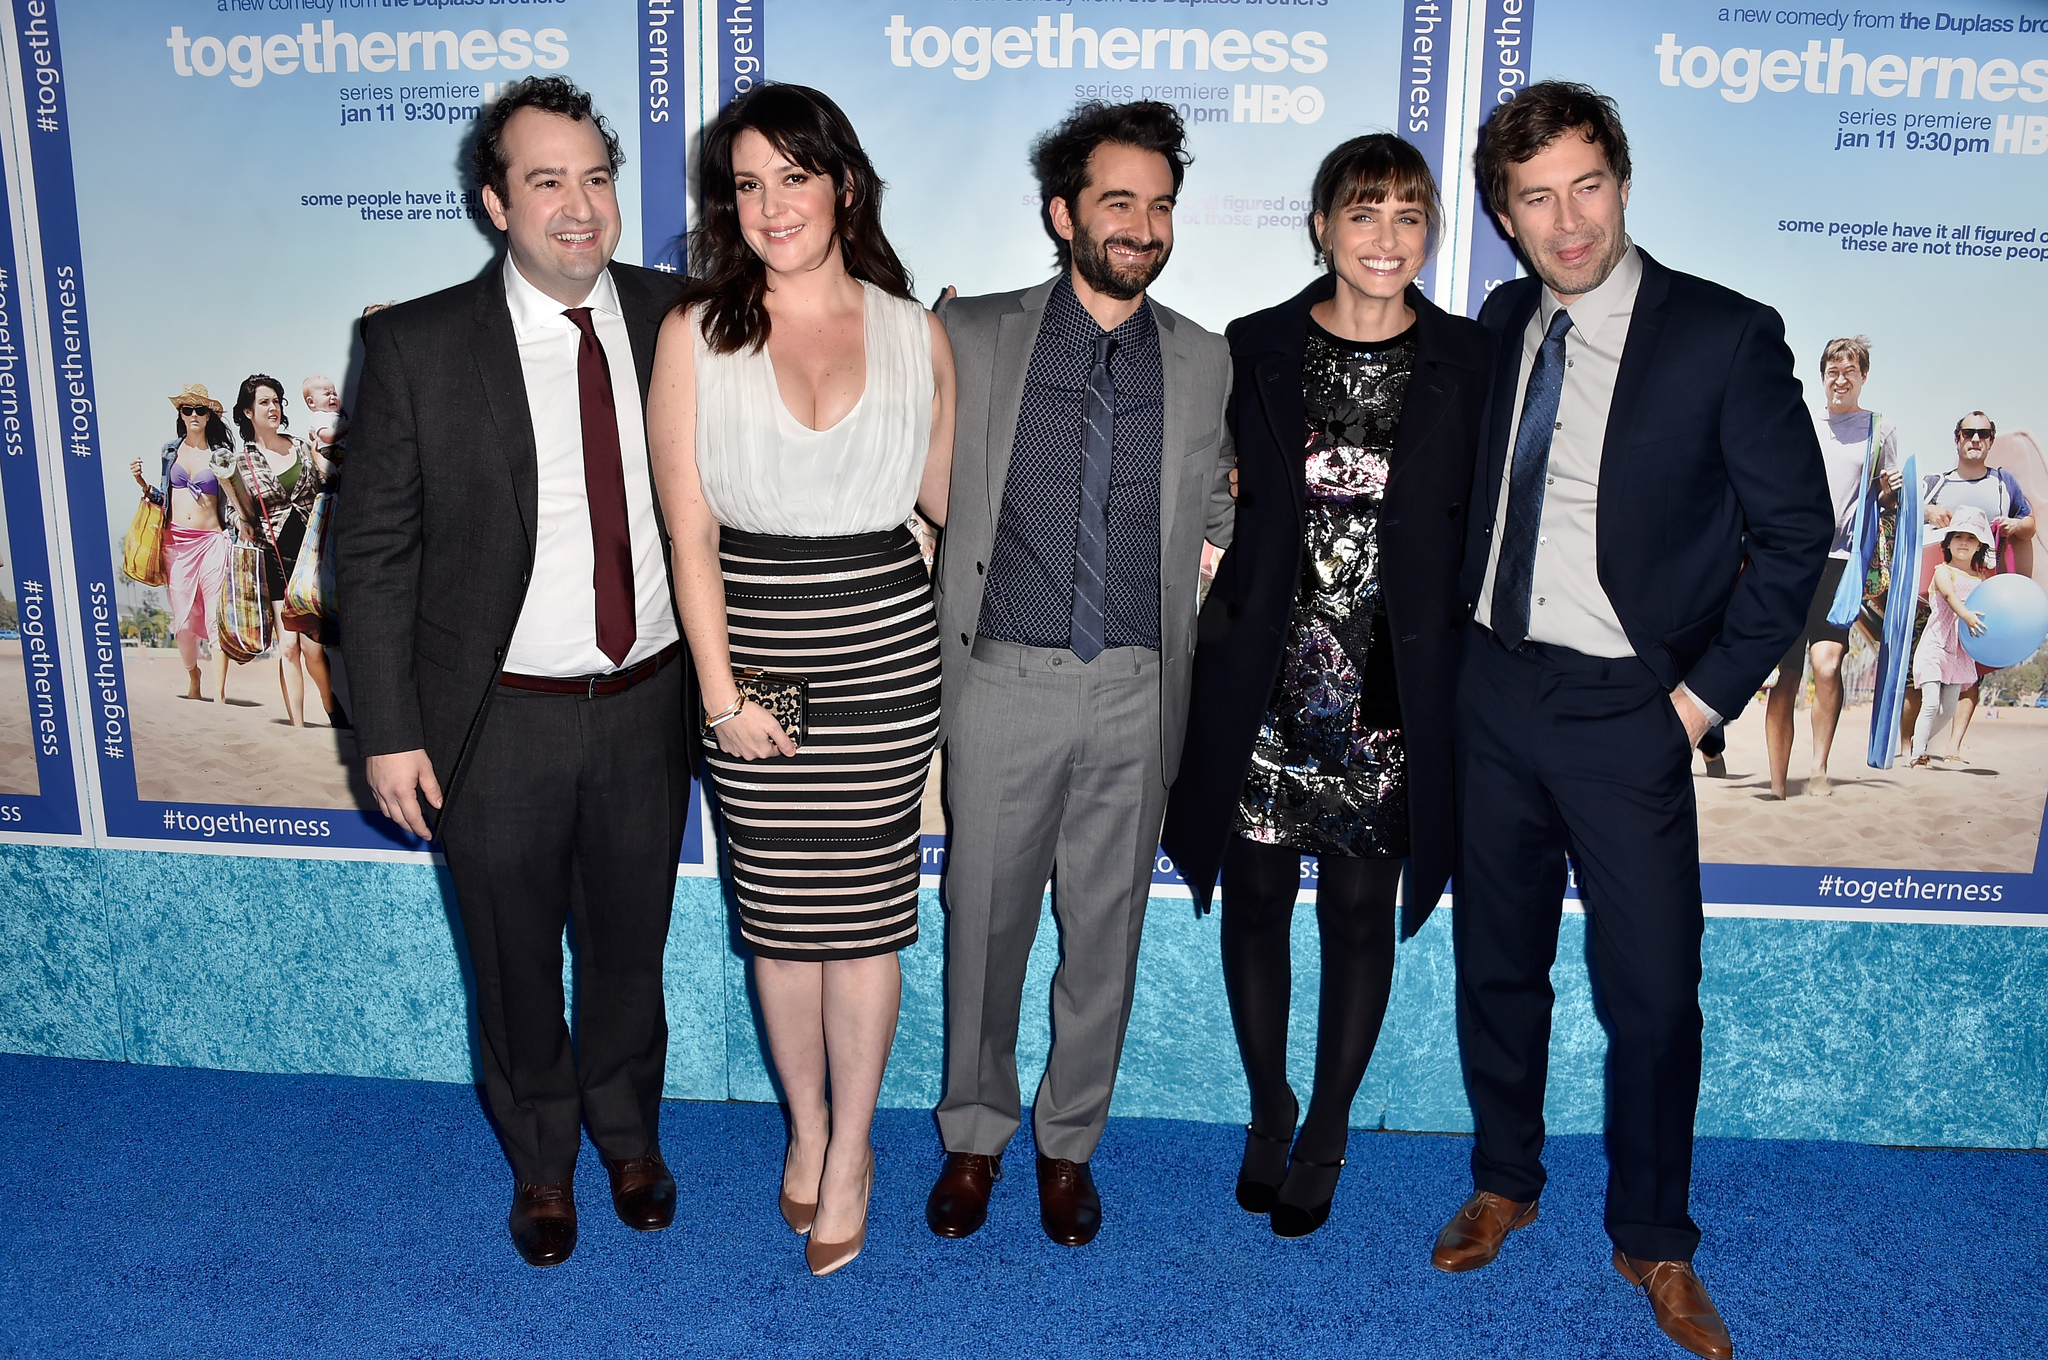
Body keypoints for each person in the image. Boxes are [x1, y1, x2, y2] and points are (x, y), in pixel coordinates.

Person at [1439, 83, 1830, 1360]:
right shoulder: (1502, 322)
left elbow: (1791, 543)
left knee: (1651, 993)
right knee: (1497, 962)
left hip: (1629, 707)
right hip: (1493, 685)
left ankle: (1654, 1237)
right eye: (1534, 197)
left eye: (1584, 186)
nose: (1564, 222)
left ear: (1621, 181)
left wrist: (1694, 699)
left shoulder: (1723, 334)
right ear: (1503, 215)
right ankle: (1506, 1177)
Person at [335, 76, 695, 1268]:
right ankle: (543, 1162)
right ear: (496, 202)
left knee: (631, 948)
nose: (580, 206)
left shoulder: (680, 319)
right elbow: (373, 554)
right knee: (512, 959)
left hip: (649, 705)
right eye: (547, 181)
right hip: (494, 725)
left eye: (596, 177)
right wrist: (386, 730)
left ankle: (627, 1132)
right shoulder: (417, 345)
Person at [646, 83, 955, 1278]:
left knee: (864, 916)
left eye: (793, 175)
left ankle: (857, 1148)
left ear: (843, 182)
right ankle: (809, 1127)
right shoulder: (694, 332)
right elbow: (688, 534)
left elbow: (947, 506)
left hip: (882, 643)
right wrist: (721, 698)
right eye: (746, 184)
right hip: (756, 648)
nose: (771, 205)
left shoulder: (909, 329)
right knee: (779, 917)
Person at [1159, 135, 1492, 1238]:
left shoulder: (1470, 357)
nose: (1385, 238)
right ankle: (1267, 1110)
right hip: (1263, 677)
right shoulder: (1253, 346)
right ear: (1320, 227)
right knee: (1252, 898)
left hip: (1388, 690)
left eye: (1407, 215)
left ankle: (1329, 1128)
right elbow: (1203, 492)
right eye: (1363, 214)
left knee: (1357, 914)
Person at [923, 100, 1235, 1250]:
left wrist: (1205, 554)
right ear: (1061, 214)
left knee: (1102, 934)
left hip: (1138, 688)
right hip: (1001, 677)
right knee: (984, 924)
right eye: (1117, 202)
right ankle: (972, 1135)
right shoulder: (970, 331)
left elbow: (1214, 502)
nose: (1141, 226)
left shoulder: (1204, 359)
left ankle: (1068, 1148)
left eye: (1158, 205)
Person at [1763, 337, 1899, 797]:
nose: (1840, 380)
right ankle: (1779, 783)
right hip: (1790, 561)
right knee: (1786, 675)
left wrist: (1889, 491)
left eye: (1850, 371)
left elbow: (1886, 500)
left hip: (1841, 564)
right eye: (1832, 372)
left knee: (1827, 665)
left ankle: (1819, 768)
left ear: (1863, 376)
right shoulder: (1798, 420)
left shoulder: (1880, 430)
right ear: (1822, 376)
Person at [1901, 412, 2035, 757]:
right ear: (1957, 438)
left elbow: (2030, 523)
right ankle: (1908, 746)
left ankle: (1954, 747)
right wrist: (1928, 511)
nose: (1975, 439)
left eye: (1983, 434)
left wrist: (2016, 526)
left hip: (1980, 590)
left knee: (1969, 673)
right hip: (1929, 595)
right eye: (1968, 433)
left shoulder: (2005, 484)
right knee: (1918, 674)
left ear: (1991, 440)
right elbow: (1902, 513)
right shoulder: (1936, 482)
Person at [223, 374, 342, 728]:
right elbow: (230, 508)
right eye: (264, 402)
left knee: (313, 649)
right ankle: (299, 727)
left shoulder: (301, 447)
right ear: (247, 411)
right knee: (288, 647)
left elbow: (328, 482)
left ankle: (330, 705)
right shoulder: (241, 461)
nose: (272, 408)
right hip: (272, 557)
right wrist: (239, 522)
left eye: (276, 401)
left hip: (310, 556)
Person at [129, 383, 238, 703]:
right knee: (182, 624)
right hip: (176, 543)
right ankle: (194, 676)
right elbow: (165, 497)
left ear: (209, 416)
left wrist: (239, 524)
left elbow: (230, 502)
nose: (193, 415)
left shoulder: (220, 456)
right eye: (187, 409)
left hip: (213, 542)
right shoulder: (169, 451)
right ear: (180, 414)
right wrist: (141, 482)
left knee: (214, 618)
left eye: (199, 410)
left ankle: (219, 695)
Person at [1909, 506, 1992, 766]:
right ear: (1948, 542)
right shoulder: (1943, 571)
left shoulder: (1981, 579)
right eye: (1958, 537)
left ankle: (1917, 740)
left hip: (1960, 651)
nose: (1964, 542)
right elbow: (1950, 596)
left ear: (1979, 545)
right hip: (1936, 643)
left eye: (1970, 538)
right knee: (1931, 702)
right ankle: (1917, 755)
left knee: (1948, 709)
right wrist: (1966, 615)